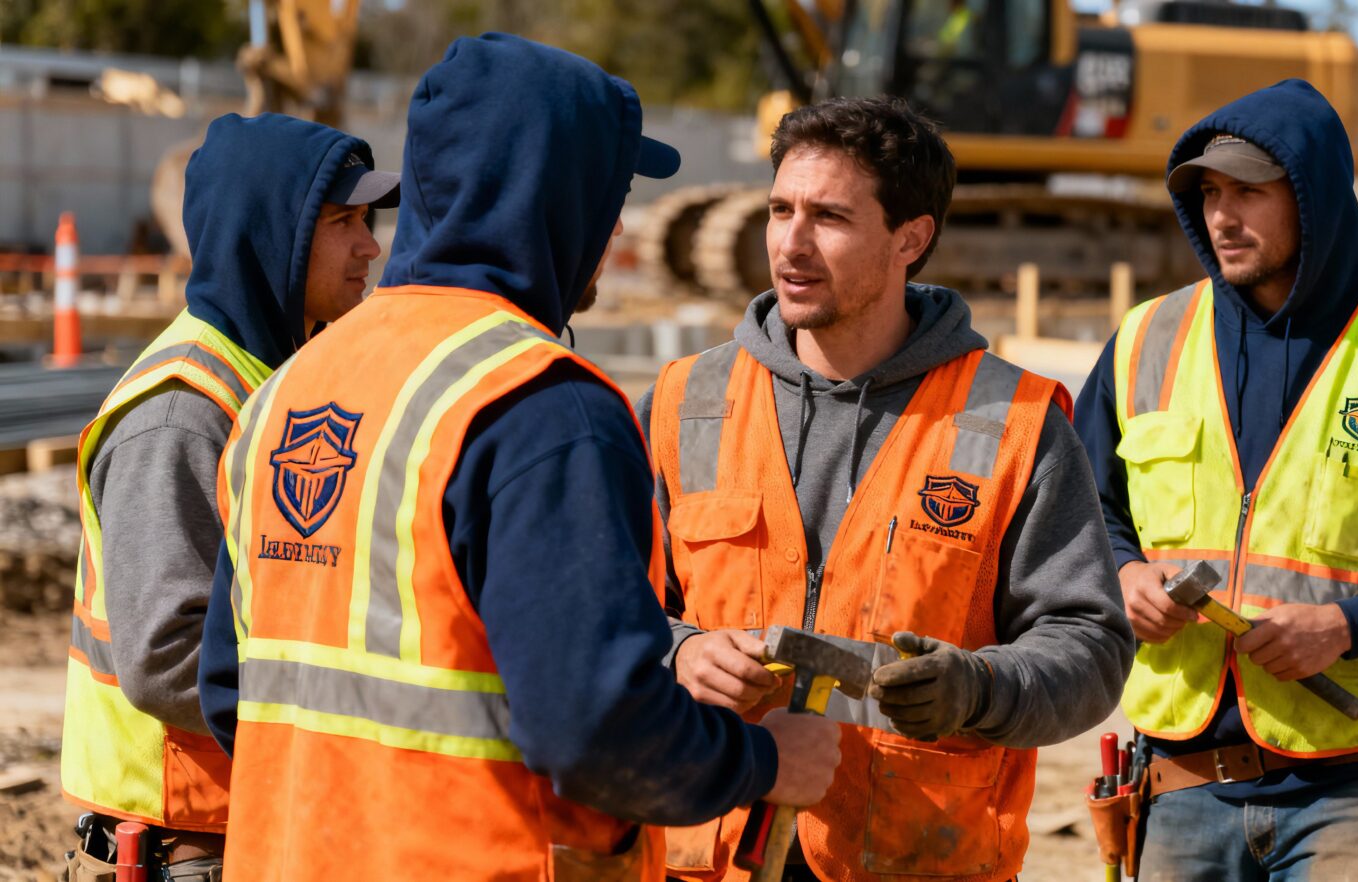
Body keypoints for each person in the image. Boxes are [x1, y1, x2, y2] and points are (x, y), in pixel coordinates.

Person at [196, 35, 841, 882]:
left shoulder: (289, 387)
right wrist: (761, 762)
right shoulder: (544, 406)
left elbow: (228, 690)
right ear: (556, 195)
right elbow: (593, 730)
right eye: (609, 189)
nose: (613, 224)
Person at [637, 96, 1135, 882]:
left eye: (829, 217)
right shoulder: (683, 400)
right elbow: (604, 609)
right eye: (779, 209)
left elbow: (1092, 646)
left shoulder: (1014, 421)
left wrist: (978, 689)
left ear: (912, 238)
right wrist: (683, 653)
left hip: (913, 856)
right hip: (709, 845)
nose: (791, 244)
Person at [1073, 79, 1358, 880]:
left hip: (1356, 790)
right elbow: (1078, 517)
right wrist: (1119, 574)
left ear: (1313, 197)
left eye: (1249, 191)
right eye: (1210, 193)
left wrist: (1350, 627)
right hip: (1180, 786)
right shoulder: (1146, 339)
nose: (1222, 216)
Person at [59, 112, 398, 881]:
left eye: (366, 221)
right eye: (342, 221)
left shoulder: (274, 379)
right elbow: (165, 661)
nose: (370, 246)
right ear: (269, 233)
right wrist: (359, 705)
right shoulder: (184, 412)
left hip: (240, 828)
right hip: (186, 843)